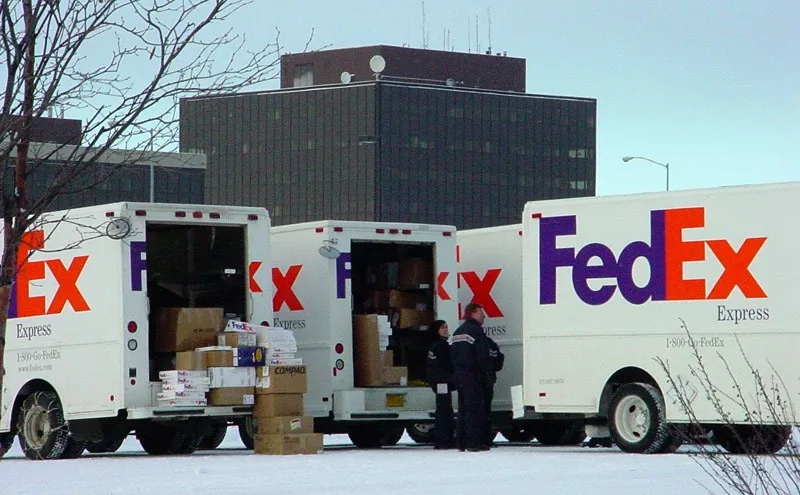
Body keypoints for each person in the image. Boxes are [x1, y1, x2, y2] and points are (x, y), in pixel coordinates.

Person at [450, 302, 494, 452]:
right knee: (475, 409)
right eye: (482, 313)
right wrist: (487, 374)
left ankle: (461, 442)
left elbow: (453, 355)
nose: (484, 316)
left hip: (459, 375)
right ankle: (474, 443)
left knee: (463, 410)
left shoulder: (457, 332)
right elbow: (482, 356)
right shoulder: (476, 331)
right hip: (473, 375)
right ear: (474, 313)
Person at [426, 319, 455, 449]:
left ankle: (443, 438)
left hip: (439, 381)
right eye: (443, 327)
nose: (445, 329)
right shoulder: (440, 346)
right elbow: (446, 365)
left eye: (446, 327)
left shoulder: (434, 346)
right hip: (442, 382)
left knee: (444, 409)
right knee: (444, 410)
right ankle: (444, 439)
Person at [482, 335, 505, 448]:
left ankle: (481, 438)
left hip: (479, 381)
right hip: (488, 379)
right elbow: (498, 360)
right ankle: (485, 438)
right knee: (486, 410)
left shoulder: (478, 342)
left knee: (477, 411)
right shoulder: (489, 342)